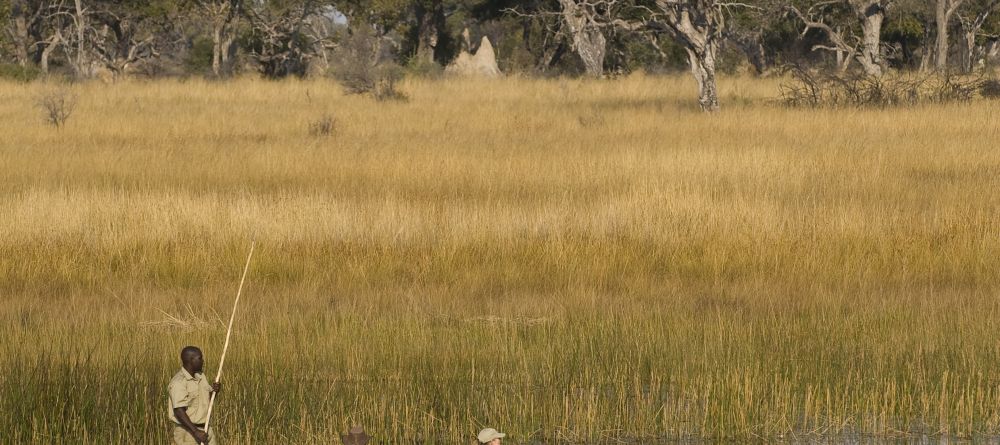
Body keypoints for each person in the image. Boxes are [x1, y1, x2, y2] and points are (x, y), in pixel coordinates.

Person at [168, 346, 222, 445]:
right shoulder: (178, 382)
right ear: (191, 360)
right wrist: (195, 432)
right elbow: (179, 411)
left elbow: (207, 400)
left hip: (206, 429)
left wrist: (215, 391)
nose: (203, 361)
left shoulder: (201, 376)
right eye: (200, 358)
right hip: (188, 433)